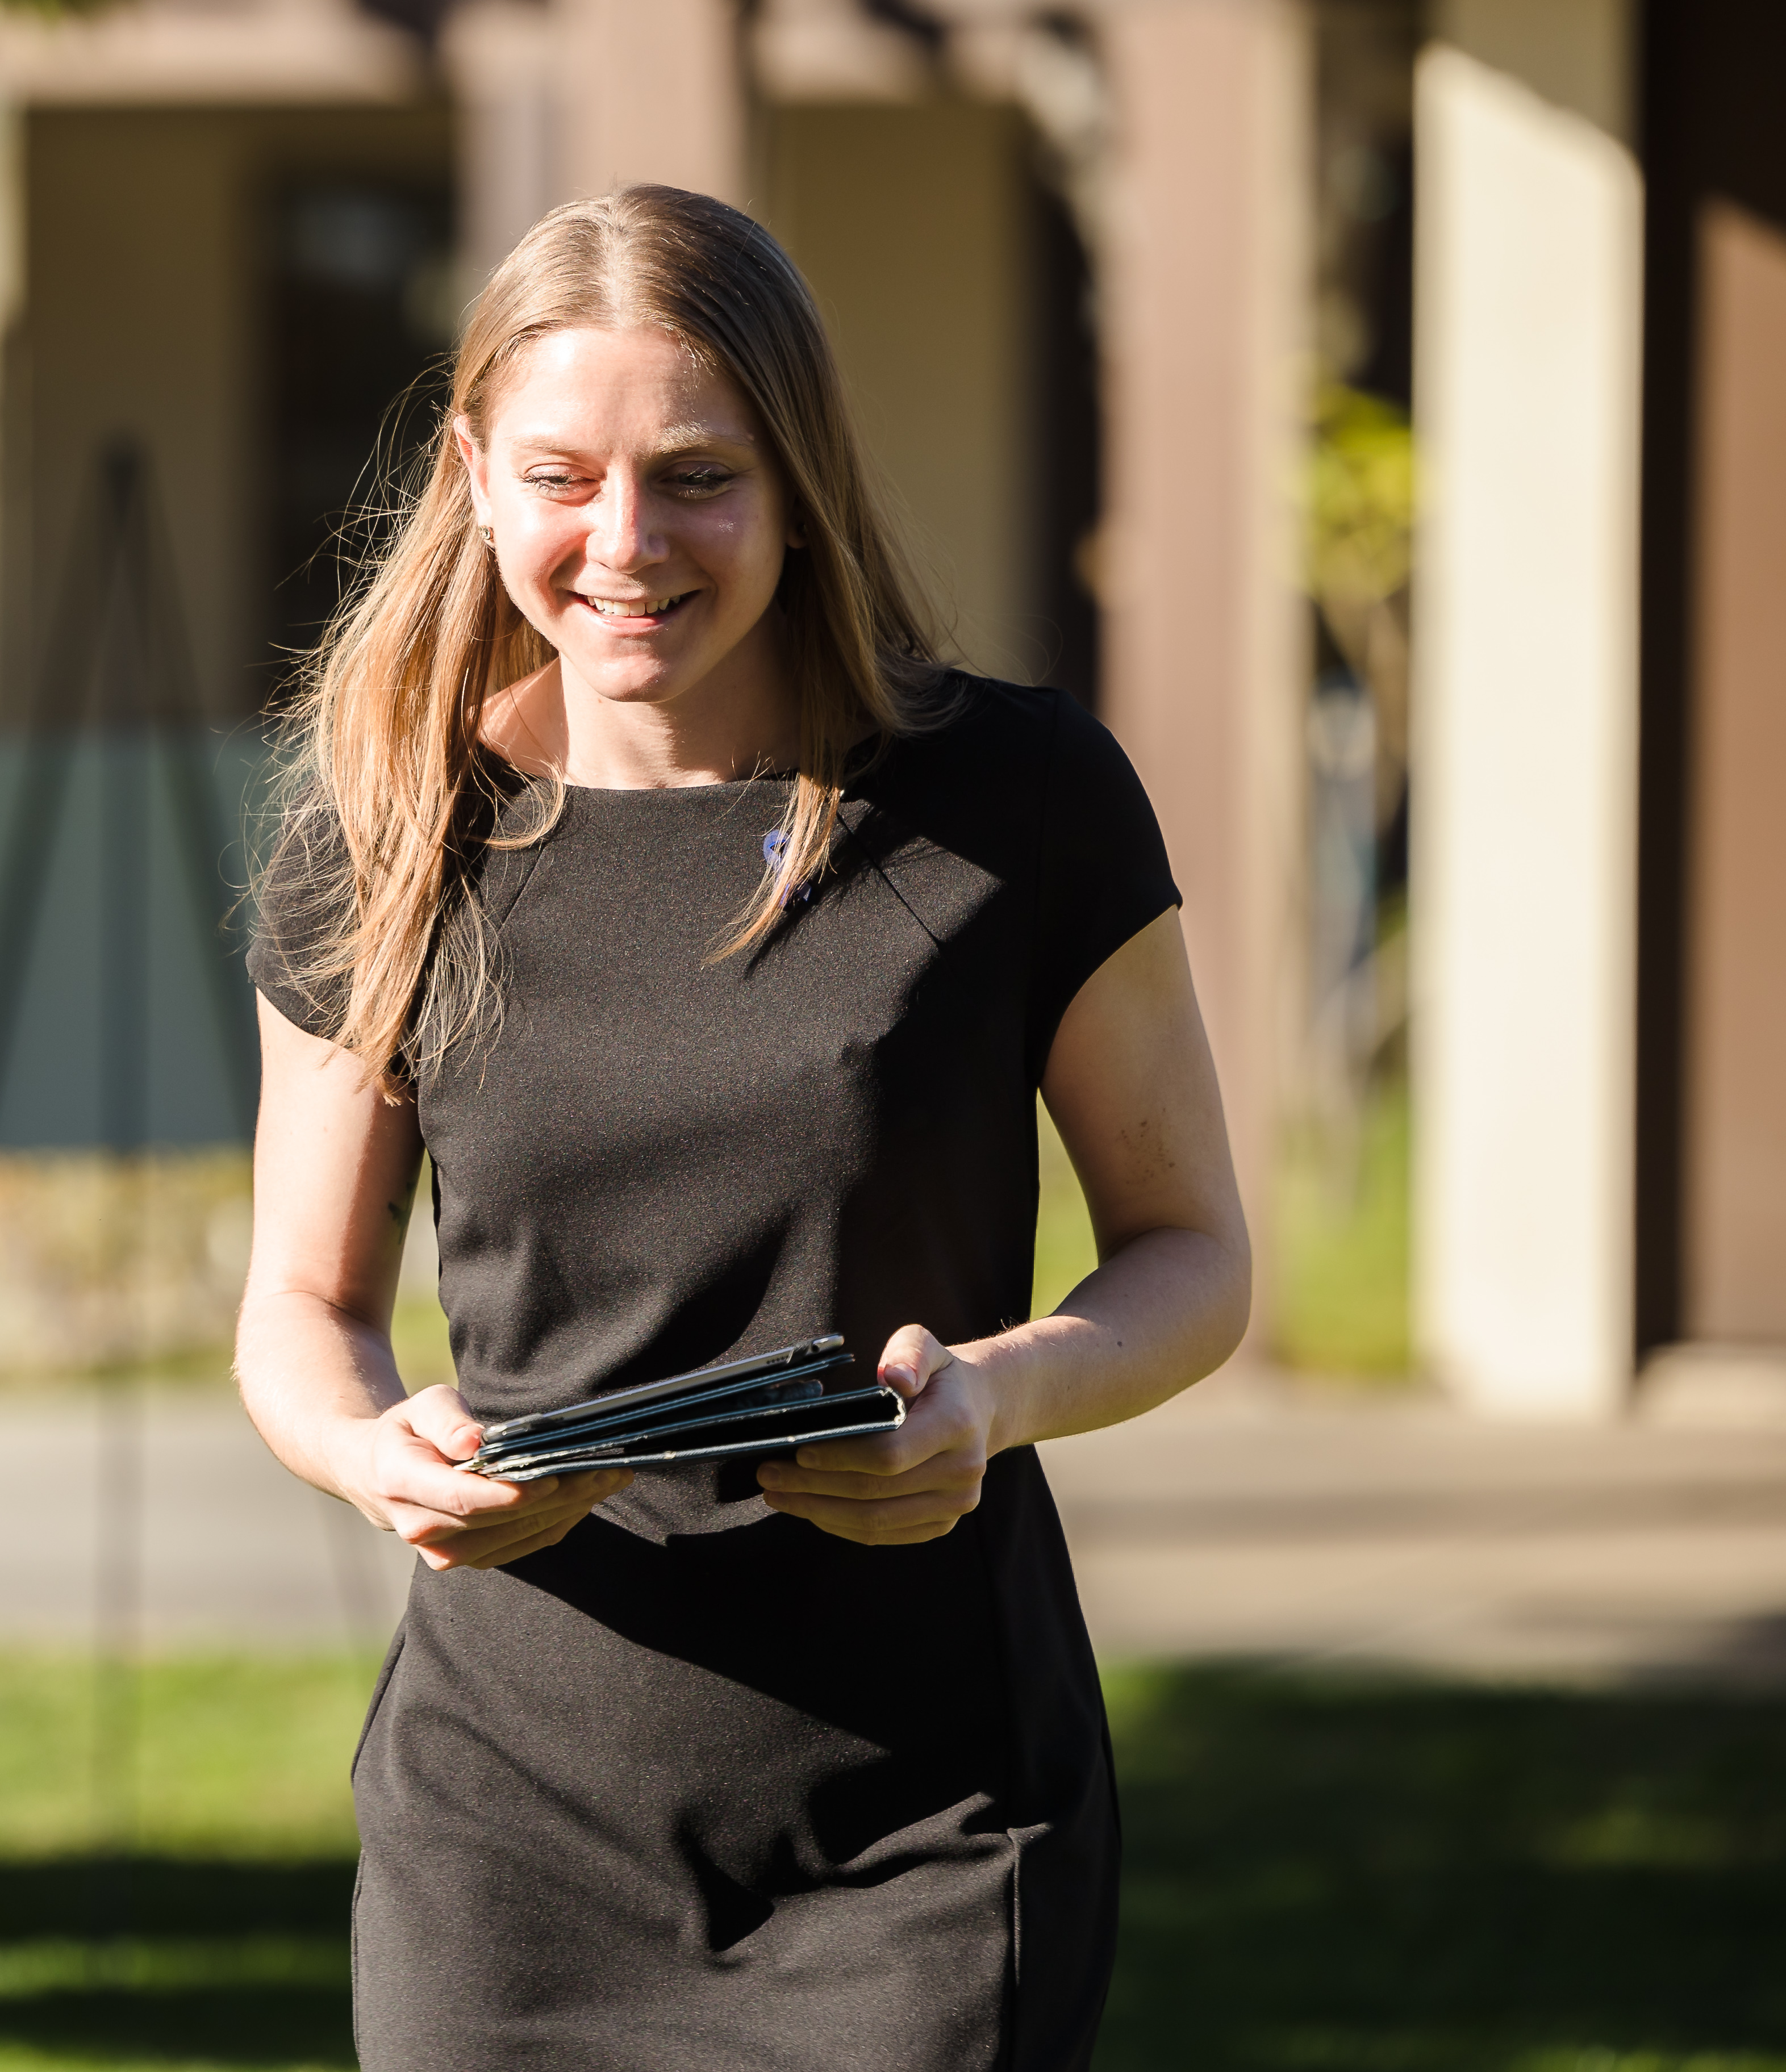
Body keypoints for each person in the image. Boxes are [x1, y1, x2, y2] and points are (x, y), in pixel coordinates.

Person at [233, 185, 1249, 2071]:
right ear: (471, 471)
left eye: (696, 474)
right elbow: (298, 1305)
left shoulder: (1019, 800)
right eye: (560, 474)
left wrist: (999, 1397)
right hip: (508, 1846)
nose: (624, 544)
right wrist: (384, 1457)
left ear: (798, 476)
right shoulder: (384, 831)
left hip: (924, 1827)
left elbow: (1196, 1257)